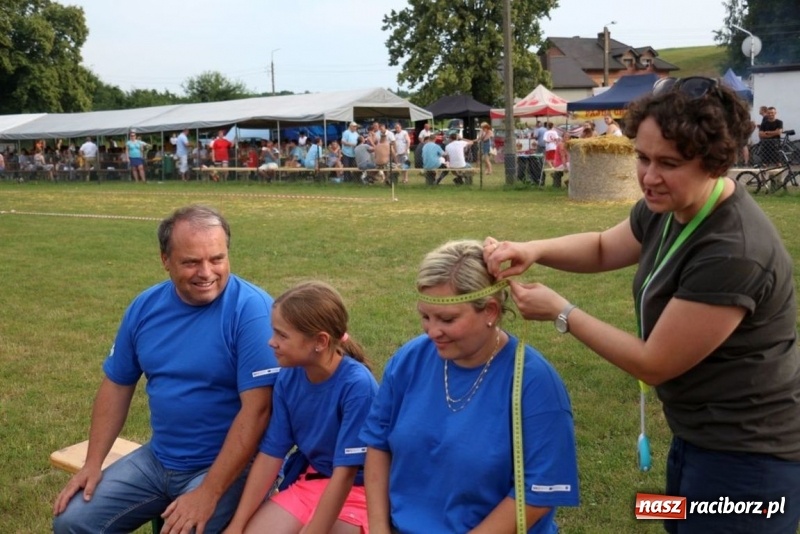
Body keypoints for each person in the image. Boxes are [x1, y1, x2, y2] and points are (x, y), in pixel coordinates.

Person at [484, 76, 800, 534]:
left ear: (714, 163)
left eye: (668, 163)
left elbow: (655, 364)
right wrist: (533, 249)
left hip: (750, 464)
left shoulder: (735, 250)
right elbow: (600, 247)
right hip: (696, 438)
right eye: (642, 157)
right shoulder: (668, 206)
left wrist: (562, 313)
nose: (648, 177)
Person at [53, 205, 279, 533]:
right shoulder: (145, 308)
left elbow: (258, 412)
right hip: (158, 459)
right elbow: (117, 384)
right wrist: (92, 463)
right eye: (191, 262)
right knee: (71, 521)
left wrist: (208, 492)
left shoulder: (252, 312)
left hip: (225, 468)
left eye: (217, 258)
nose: (206, 272)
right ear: (165, 260)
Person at [360, 239, 579, 533]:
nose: (432, 331)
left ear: (489, 311)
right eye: (425, 317)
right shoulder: (411, 359)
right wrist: (378, 528)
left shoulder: (534, 384)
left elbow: (537, 495)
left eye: (447, 319)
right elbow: (377, 442)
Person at [223, 281, 377, 534]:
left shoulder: (357, 387)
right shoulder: (288, 376)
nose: (271, 342)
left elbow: (346, 474)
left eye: (282, 335)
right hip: (312, 482)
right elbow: (271, 455)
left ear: (320, 341)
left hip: (358, 491)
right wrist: (237, 525)